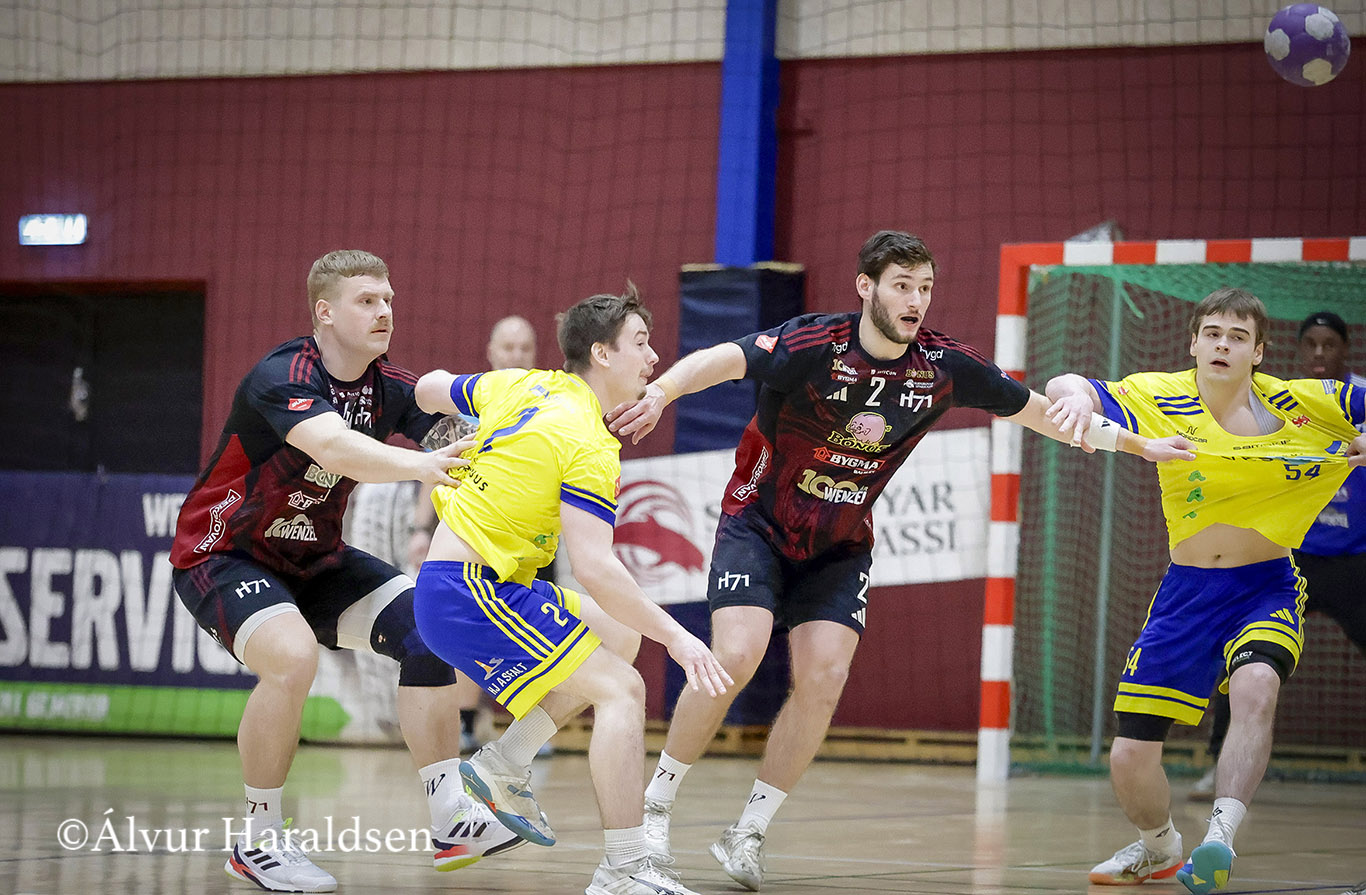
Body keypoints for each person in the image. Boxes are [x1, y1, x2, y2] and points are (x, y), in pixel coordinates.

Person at [603, 230, 1194, 891]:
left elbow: (1041, 412)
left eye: (925, 288)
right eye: (902, 286)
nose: (916, 300)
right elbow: (723, 358)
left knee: (825, 676)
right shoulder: (812, 343)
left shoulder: (941, 366)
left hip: (840, 546)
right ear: (867, 287)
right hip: (758, 526)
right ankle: (655, 809)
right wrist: (662, 393)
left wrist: (1138, 445)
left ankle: (749, 831)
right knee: (736, 655)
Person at [169, 250, 522, 893]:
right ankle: (258, 841)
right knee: (292, 658)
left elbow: (464, 438)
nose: (384, 311)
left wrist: (527, 440)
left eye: (388, 299)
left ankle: (451, 817)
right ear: (325, 312)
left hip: (315, 560)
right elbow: (335, 447)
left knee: (429, 630)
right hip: (224, 554)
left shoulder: (390, 387)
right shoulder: (282, 375)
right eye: (367, 300)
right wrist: (423, 465)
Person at [410, 284, 734, 895]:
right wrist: (680, 638)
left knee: (619, 634)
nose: (654, 358)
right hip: (468, 593)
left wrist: (468, 432)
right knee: (623, 690)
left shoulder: (524, 384)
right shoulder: (589, 442)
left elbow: (428, 388)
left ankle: (505, 761)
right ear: (602, 354)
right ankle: (624, 870)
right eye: (641, 343)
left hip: (471, 584)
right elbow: (596, 568)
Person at [1045, 290, 1366, 892]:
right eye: (1213, 333)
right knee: (1130, 757)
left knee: (1257, 685)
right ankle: (1158, 846)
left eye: (1238, 337)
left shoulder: (1306, 402)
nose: (1223, 345)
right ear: (1193, 343)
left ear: (1258, 352)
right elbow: (1070, 383)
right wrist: (1076, 399)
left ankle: (1219, 839)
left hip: (1265, 585)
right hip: (1186, 593)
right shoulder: (1159, 394)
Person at [1189, 310, 1366, 800]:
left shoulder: (1358, 397)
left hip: (1356, 561)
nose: (1319, 353)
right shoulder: (1284, 401)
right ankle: (1219, 765)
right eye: (1310, 344)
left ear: (1345, 349)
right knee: (1241, 657)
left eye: (1329, 344)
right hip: (1292, 557)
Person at [403, 314, 541, 753]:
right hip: (470, 536)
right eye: (508, 347)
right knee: (469, 625)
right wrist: (420, 529)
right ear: (491, 353)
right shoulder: (467, 408)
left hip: (529, 540)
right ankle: (463, 721)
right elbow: (435, 470)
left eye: (524, 348)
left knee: (534, 630)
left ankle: (527, 728)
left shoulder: (545, 407)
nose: (516, 355)